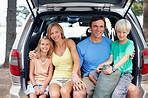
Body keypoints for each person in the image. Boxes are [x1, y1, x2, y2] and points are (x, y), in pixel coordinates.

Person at [73, 16, 140, 98]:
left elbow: (122, 55)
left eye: (101, 26)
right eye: (95, 26)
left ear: (104, 28)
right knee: (78, 93)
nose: (98, 29)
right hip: (90, 77)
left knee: (134, 90)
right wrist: (78, 78)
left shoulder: (111, 43)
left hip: (109, 75)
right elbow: (77, 66)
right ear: (90, 27)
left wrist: (131, 55)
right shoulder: (81, 46)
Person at [29, 22, 86, 98]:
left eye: (56, 32)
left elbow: (77, 60)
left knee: (64, 91)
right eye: (52, 33)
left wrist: (74, 74)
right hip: (56, 78)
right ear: (49, 35)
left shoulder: (69, 42)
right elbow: (41, 51)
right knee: (54, 95)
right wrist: (31, 53)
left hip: (70, 77)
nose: (55, 35)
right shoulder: (51, 46)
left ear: (61, 32)